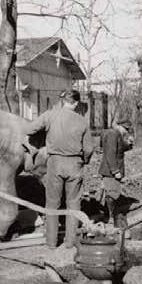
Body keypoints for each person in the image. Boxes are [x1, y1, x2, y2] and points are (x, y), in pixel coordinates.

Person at [25, 89, 94, 248]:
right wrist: (83, 161)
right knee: (73, 203)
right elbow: (89, 149)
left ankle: (51, 242)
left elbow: (29, 129)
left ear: (63, 101)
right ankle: (70, 242)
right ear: (76, 103)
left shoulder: (50, 115)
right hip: (75, 164)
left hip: (55, 163)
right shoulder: (82, 121)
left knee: (52, 203)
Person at [98, 119, 134, 228]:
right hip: (110, 171)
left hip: (110, 170)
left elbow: (119, 149)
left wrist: (129, 144)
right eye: (125, 129)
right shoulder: (113, 134)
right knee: (112, 194)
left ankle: (109, 217)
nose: (126, 131)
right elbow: (110, 154)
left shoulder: (115, 134)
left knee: (113, 193)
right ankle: (110, 219)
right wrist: (115, 171)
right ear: (119, 126)